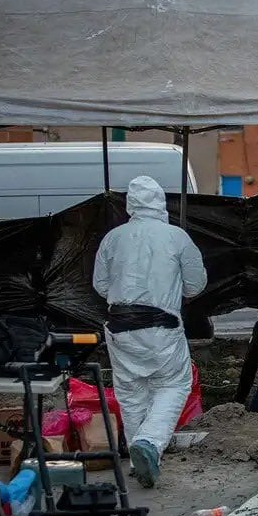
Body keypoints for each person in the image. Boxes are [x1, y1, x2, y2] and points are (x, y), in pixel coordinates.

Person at [93, 175, 207, 488]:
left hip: (119, 328)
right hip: (161, 328)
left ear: (130, 205)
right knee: (174, 385)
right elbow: (197, 284)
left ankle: (138, 459)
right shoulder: (177, 237)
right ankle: (149, 444)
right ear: (160, 202)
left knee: (131, 393)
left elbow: (100, 285)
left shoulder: (112, 238)